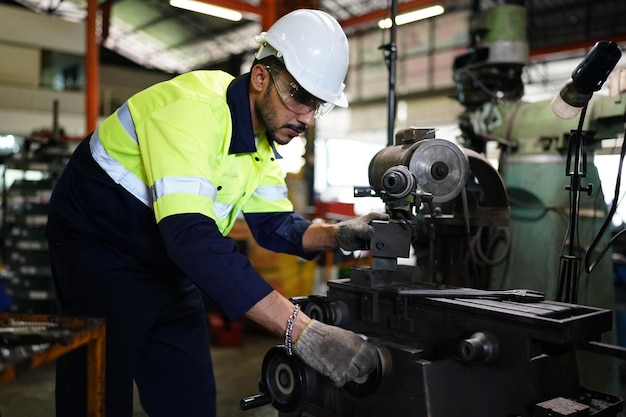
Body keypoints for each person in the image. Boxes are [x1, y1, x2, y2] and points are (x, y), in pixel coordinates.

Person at [45, 8, 389, 417]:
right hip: (99, 250)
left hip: (166, 260)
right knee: (98, 395)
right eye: (300, 98)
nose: (307, 119)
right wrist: (306, 333)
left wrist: (340, 234)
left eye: (319, 106)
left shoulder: (263, 144)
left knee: (189, 399)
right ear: (262, 76)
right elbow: (191, 237)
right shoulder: (194, 111)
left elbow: (275, 225)